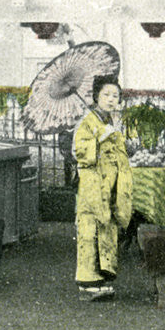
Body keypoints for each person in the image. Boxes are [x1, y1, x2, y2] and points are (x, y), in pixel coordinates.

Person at [72, 74, 133, 301]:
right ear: (96, 96)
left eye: (115, 95)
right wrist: (98, 140)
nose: (110, 99)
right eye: (106, 94)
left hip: (109, 183)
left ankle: (101, 279)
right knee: (90, 229)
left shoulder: (109, 121)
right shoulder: (87, 121)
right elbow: (79, 151)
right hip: (93, 183)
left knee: (106, 229)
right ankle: (87, 283)